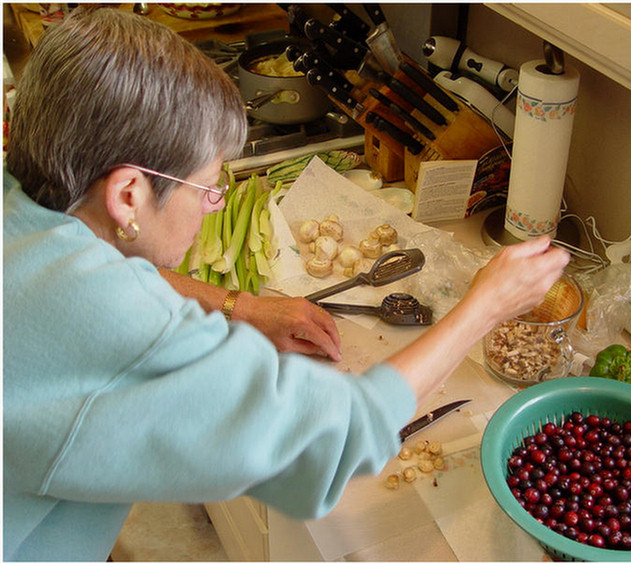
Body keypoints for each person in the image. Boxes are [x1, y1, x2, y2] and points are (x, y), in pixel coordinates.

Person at [3, 7, 569, 562]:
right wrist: (484, 307)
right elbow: (332, 437)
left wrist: (240, 305)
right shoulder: (116, 323)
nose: (213, 205)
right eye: (206, 188)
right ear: (128, 194)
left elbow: (94, 278)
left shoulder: (26, 210)